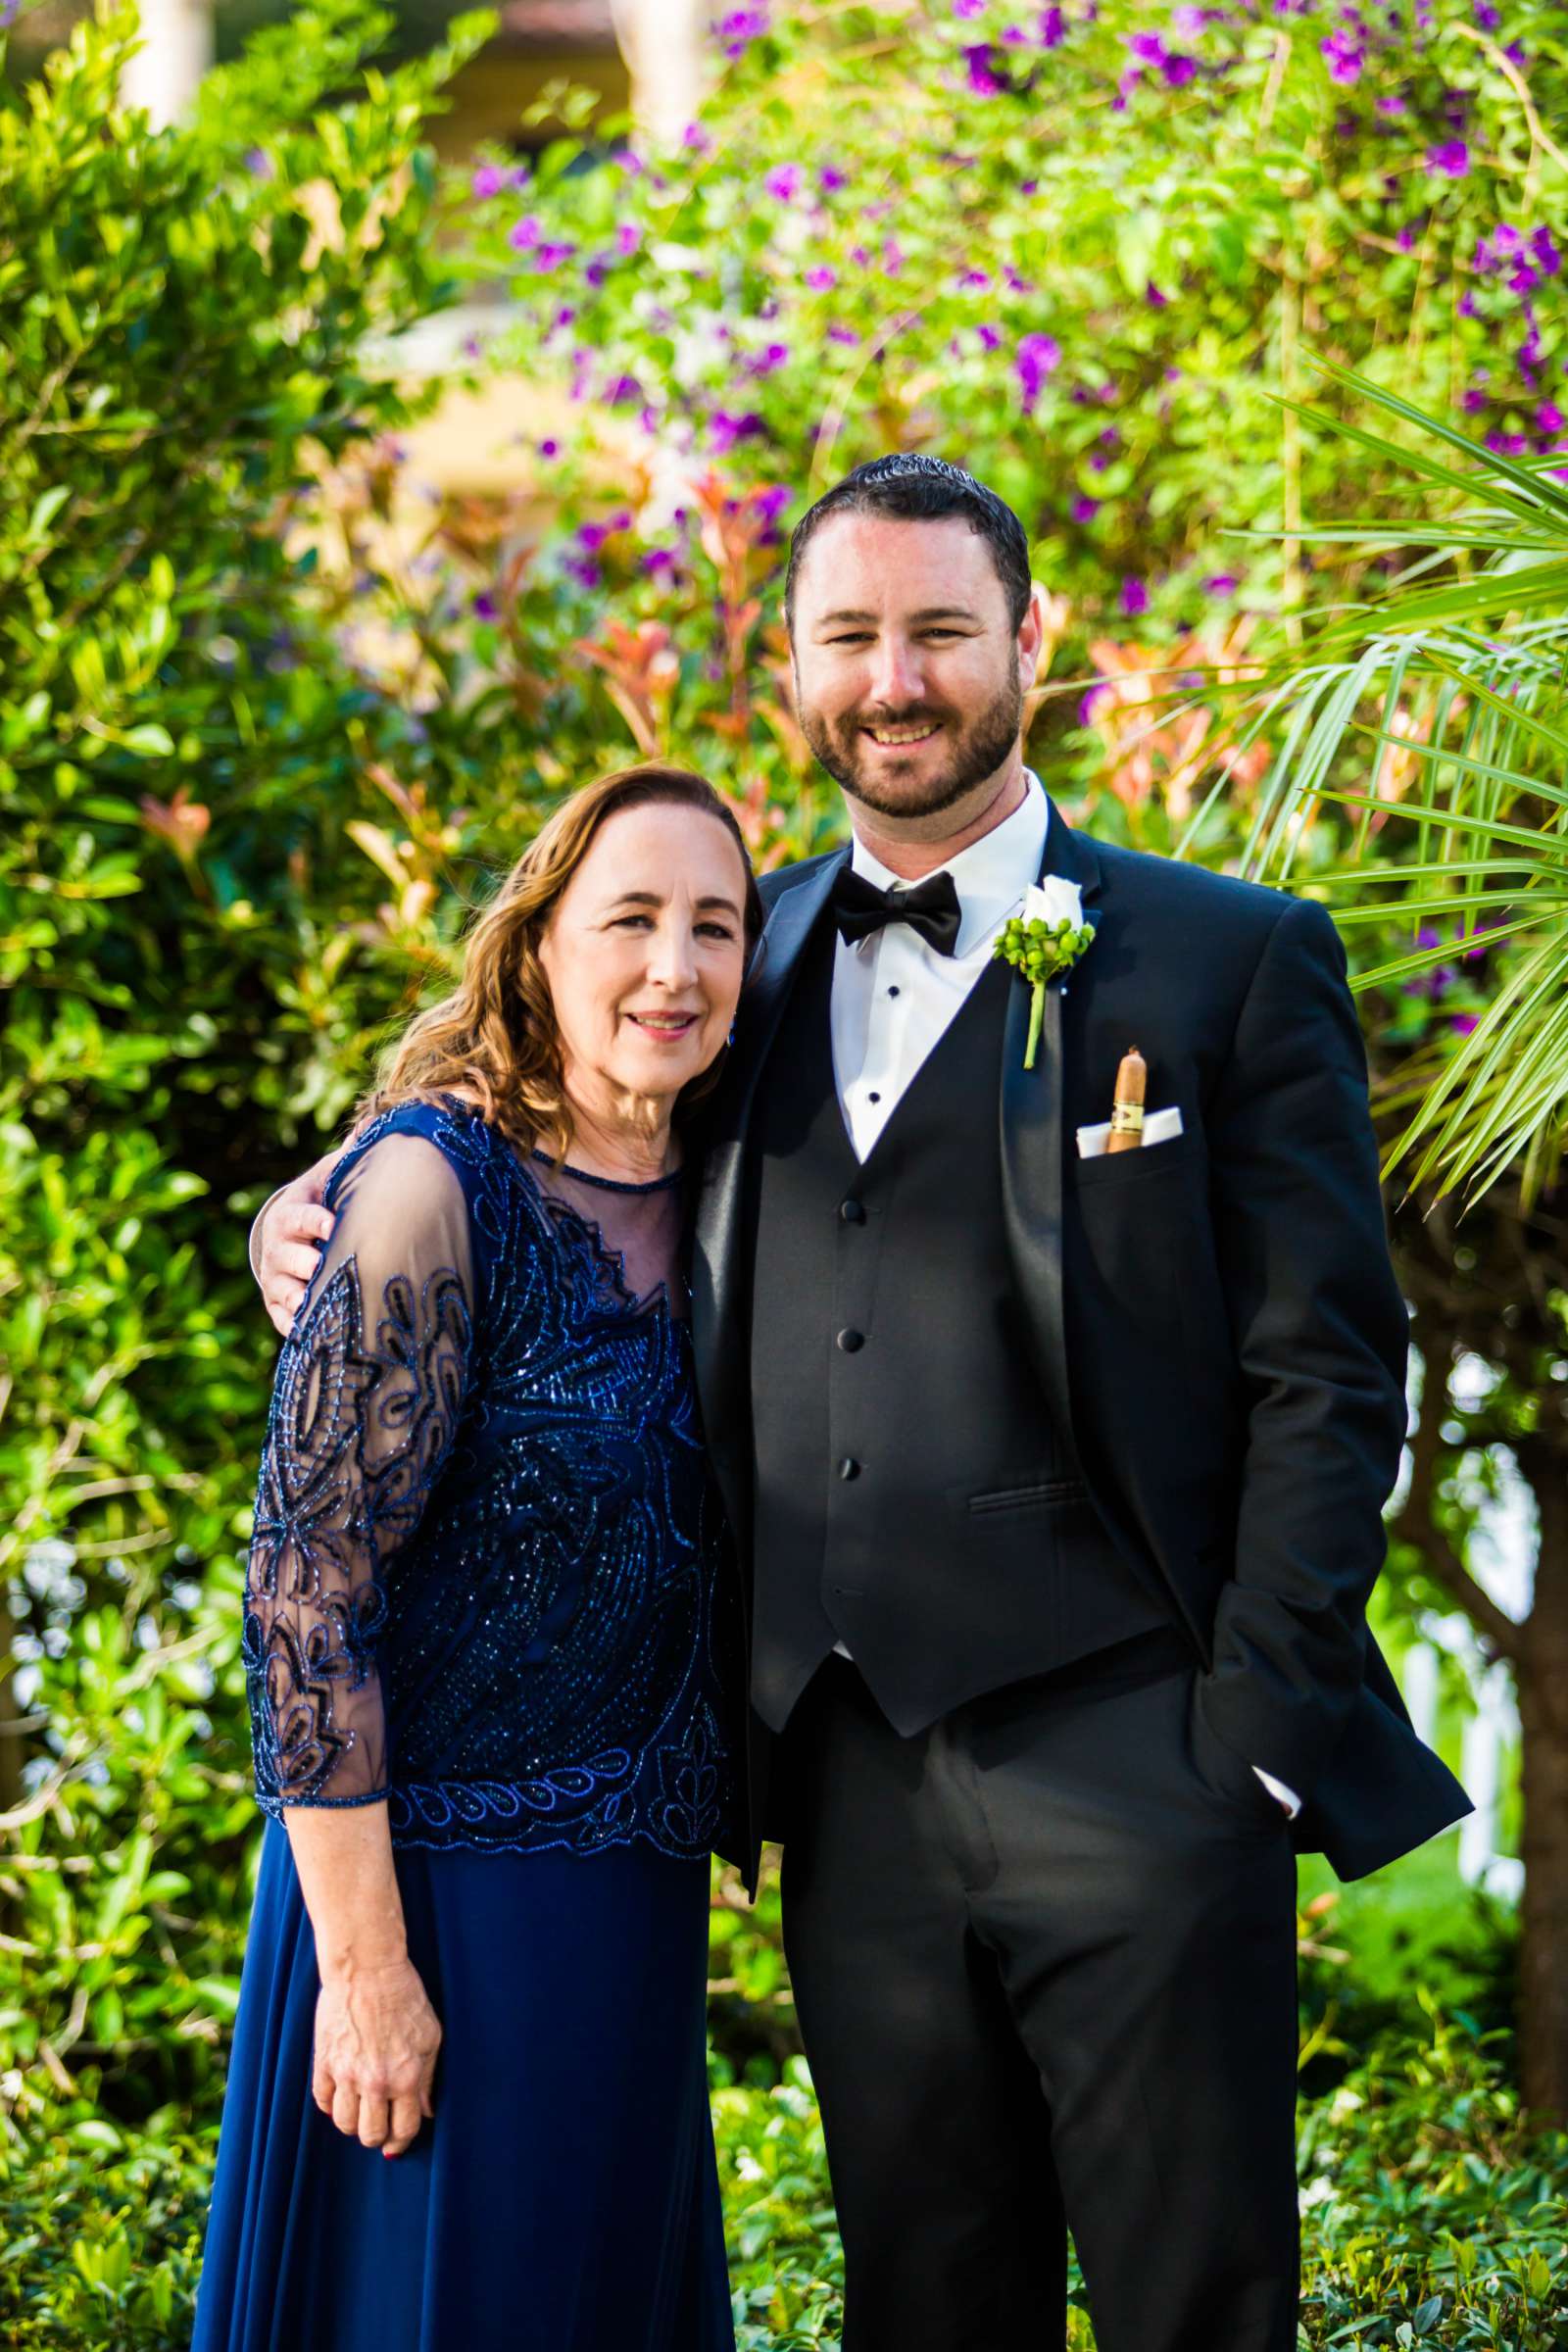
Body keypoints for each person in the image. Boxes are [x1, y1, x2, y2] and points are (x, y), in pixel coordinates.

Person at [255, 459, 1473, 2352]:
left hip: (1145, 1764)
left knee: (1197, 2306)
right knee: (923, 2304)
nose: (892, 678)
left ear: (1028, 646)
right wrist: (327, 1202)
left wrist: (1245, 1730)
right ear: (796, 663)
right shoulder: (739, 955)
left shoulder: (1224, 961)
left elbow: (1327, 1367)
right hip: (849, 1793)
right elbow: (547, 1136)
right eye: (850, 637)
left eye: (935, 632)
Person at [196, 764, 759, 2352]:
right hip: (431, 1907)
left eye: (715, 927)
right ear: (538, 948)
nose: (675, 967)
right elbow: (305, 1596)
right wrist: (366, 1974)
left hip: (633, 1910)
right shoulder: (433, 1191)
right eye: (630, 920)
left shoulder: (735, 1188)